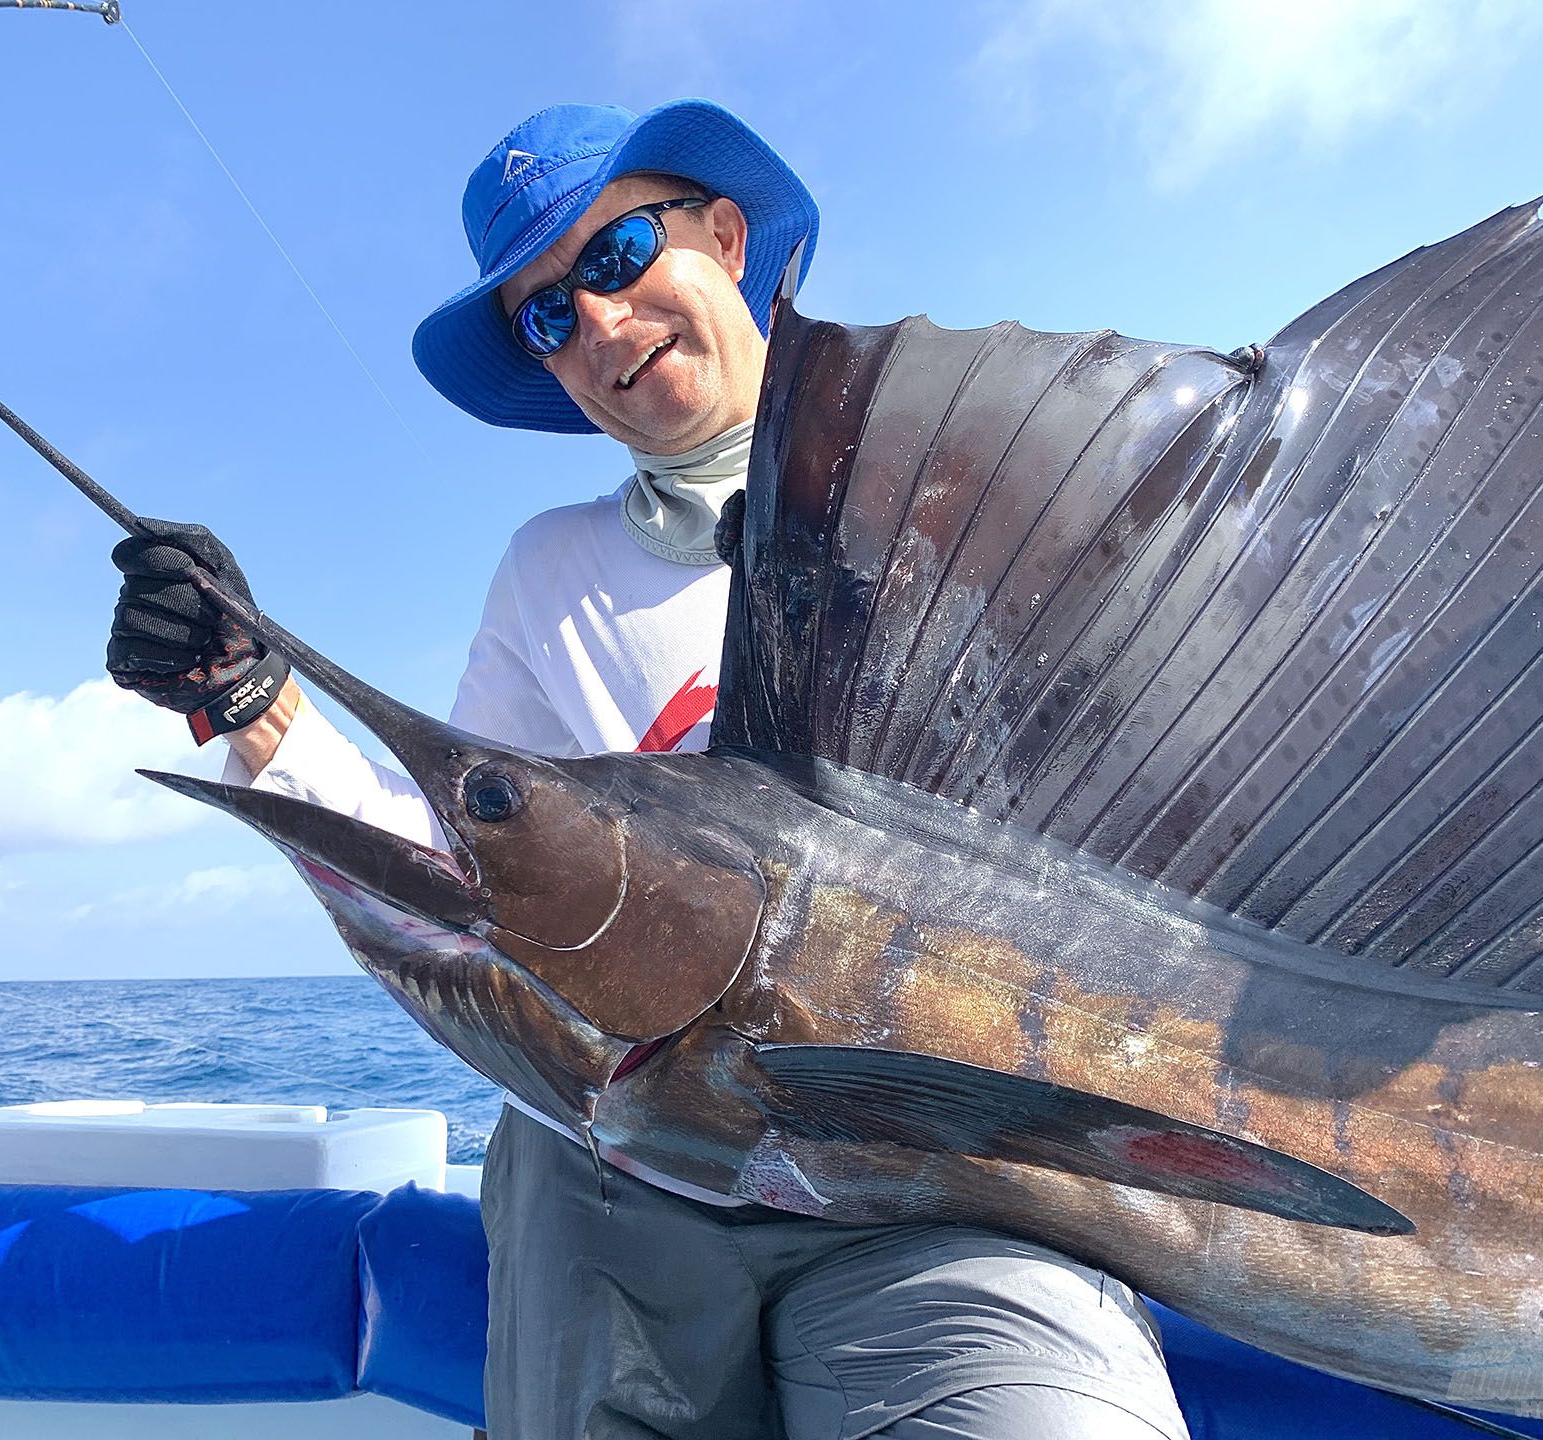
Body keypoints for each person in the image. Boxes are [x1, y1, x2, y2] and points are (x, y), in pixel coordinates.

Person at [104, 99, 1190, 1440]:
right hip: (630, 1171)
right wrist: (253, 706)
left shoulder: (966, 503)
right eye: (547, 316)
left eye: (614, 258)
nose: (599, 326)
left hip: (946, 1173)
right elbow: (465, 874)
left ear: (725, 236)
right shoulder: (548, 572)